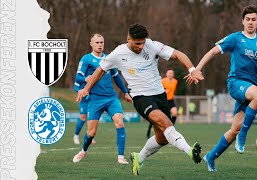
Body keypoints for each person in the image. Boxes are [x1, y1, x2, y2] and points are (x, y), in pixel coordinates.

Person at [77, 23, 204, 175]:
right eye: (137, 43)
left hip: (159, 95)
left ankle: (139, 157)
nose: (141, 46)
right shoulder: (118, 54)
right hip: (141, 98)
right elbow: (100, 70)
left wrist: (192, 69)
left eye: (143, 42)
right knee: (166, 123)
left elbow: (177, 54)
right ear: (128, 39)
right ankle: (190, 151)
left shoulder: (152, 45)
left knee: (162, 138)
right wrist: (87, 88)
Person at [186, 5, 257, 172]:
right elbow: (212, 52)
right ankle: (243, 137)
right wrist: (196, 69)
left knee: (234, 129)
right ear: (242, 21)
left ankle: (211, 156)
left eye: (254, 19)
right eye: (248, 19)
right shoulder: (235, 38)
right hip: (236, 83)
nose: (250, 22)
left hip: (249, 89)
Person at [72, 33, 132, 165]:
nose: (100, 45)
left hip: (111, 98)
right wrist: (86, 78)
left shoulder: (109, 58)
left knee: (119, 122)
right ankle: (83, 151)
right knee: (91, 132)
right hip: (95, 100)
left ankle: (121, 157)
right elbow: (78, 78)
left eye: (102, 42)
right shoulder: (86, 59)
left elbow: (116, 77)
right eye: (97, 42)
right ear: (91, 43)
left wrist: (126, 92)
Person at [146, 69, 178, 138]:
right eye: (169, 73)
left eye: (171, 73)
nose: (170, 74)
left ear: (173, 74)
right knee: (155, 118)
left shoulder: (175, 81)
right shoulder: (163, 81)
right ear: (166, 74)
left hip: (170, 101)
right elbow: (157, 89)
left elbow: (172, 90)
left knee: (174, 113)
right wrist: (164, 92)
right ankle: (148, 131)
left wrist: (172, 94)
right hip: (162, 100)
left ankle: (171, 130)